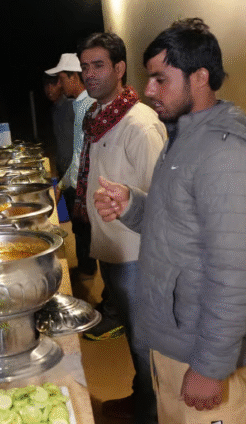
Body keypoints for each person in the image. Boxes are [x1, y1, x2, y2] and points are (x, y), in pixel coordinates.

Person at [94, 18, 246, 424]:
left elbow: (236, 272)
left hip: (199, 349)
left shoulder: (228, 155)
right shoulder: (184, 138)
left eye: (161, 79)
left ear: (200, 77)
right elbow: (179, 227)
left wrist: (210, 367)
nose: (150, 90)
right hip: (172, 339)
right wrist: (133, 206)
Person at [78, 32, 166, 423]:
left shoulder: (140, 125)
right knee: (135, 341)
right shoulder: (99, 118)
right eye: (84, 67)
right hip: (111, 249)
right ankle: (140, 398)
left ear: (119, 68)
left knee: (148, 346)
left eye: (98, 66)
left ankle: (151, 413)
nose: (89, 74)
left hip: (137, 256)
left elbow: (161, 203)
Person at [46, 53, 96, 276]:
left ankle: (88, 271)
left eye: (62, 78)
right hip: (77, 181)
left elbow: (81, 153)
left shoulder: (85, 105)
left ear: (74, 77)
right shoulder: (78, 104)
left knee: (86, 229)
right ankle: (87, 268)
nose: (61, 84)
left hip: (83, 182)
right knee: (81, 228)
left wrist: (61, 186)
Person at [43, 71, 74, 179]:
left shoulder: (72, 106)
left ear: (60, 84)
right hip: (62, 170)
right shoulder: (54, 110)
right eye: (46, 85)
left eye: (53, 84)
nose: (49, 89)